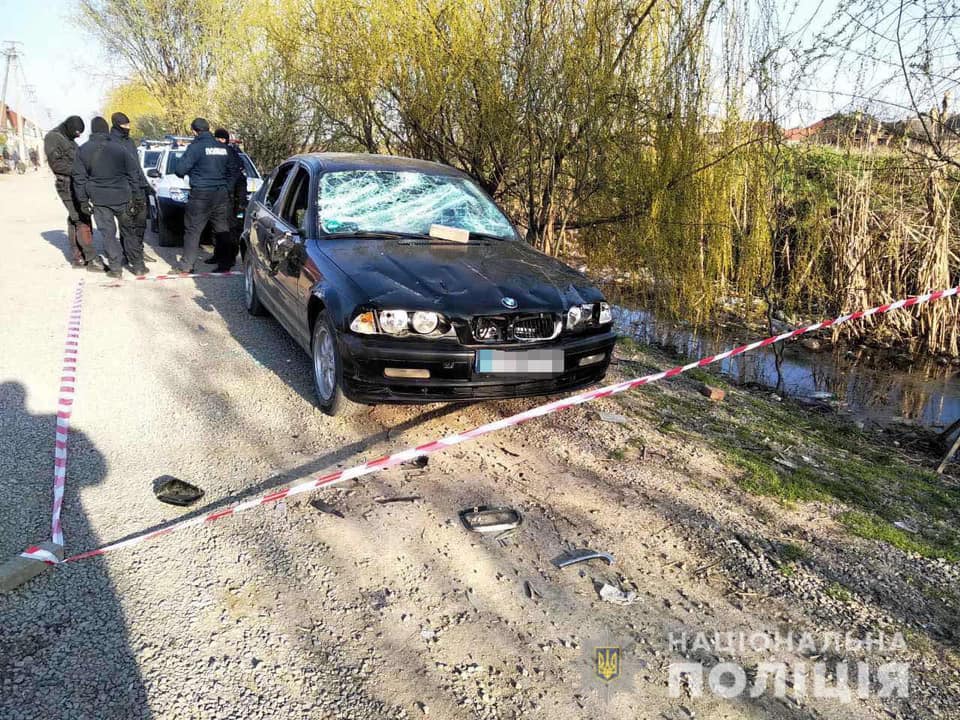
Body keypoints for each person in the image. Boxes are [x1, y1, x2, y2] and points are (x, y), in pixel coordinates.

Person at [72, 116, 144, 279]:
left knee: (108, 235)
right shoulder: (119, 148)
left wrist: (83, 200)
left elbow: (79, 178)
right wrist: (137, 196)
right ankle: (138, 266)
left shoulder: (83, 150)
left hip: (99, 200)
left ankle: (116, 269)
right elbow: (134, 173)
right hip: (122, 197)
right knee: (129, 232)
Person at [173, 117, 236, 273]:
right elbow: (234, 170)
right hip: (221, 194)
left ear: (194, 131)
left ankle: (186, 266)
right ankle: (225, 264)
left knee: (193, 230)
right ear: (208, 129)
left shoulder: (195, 148)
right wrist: (227, 187)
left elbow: (180, 170)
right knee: (222, 228)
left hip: (201, 194)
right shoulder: (222, 147)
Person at [44, 116, 100, 270]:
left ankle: (78, 256)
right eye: (77, 132)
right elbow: (56, 165)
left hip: (75, 182)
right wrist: (79, 170)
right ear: (70, 128)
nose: (78, 136)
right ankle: (89, 257)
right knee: (80, 217)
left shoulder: (69, 139)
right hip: (66, 184)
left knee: (74, 219)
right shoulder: (53, 138)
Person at [109, 112, 157, 265]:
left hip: (139, 187)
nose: (128, 128)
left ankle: (139, 250)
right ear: (117, 125)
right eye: (125, 125)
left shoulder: (129, 142)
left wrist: (146, 184)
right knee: (127, 224)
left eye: (129, 125)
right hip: (123, 189)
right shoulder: (111, 142)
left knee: (141, 222)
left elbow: (136, 166)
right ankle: (128, 253)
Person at [208, 127, 246, 268]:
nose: (217, 142)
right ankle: (217, 255)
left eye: (220, 139)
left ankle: (228, 259)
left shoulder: (232, 155)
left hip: (231, 199)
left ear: (224, 140)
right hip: (221, 197)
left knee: (229, 230)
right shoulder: (219, 155)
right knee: (217, 229)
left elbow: (239, 180)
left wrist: (240, 203)